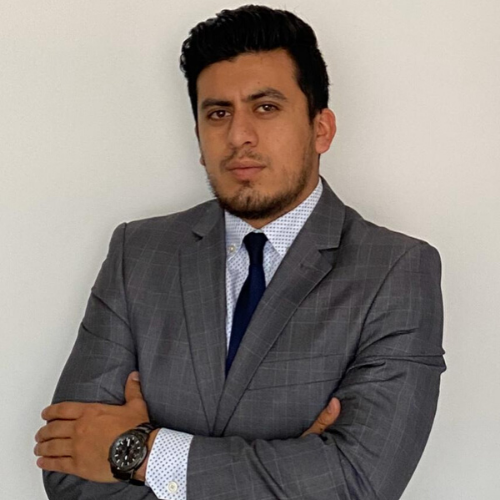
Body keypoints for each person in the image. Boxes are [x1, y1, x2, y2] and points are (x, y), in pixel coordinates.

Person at [34, 5, 446, 499]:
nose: (238, 136)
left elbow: (356, 482)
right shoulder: (137, 253)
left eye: (266, 107)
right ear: (198, 136)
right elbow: (67, 468)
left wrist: (139, 452)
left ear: (321, 128)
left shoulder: (396, 271)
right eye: (218, 113)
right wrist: (294, 474)